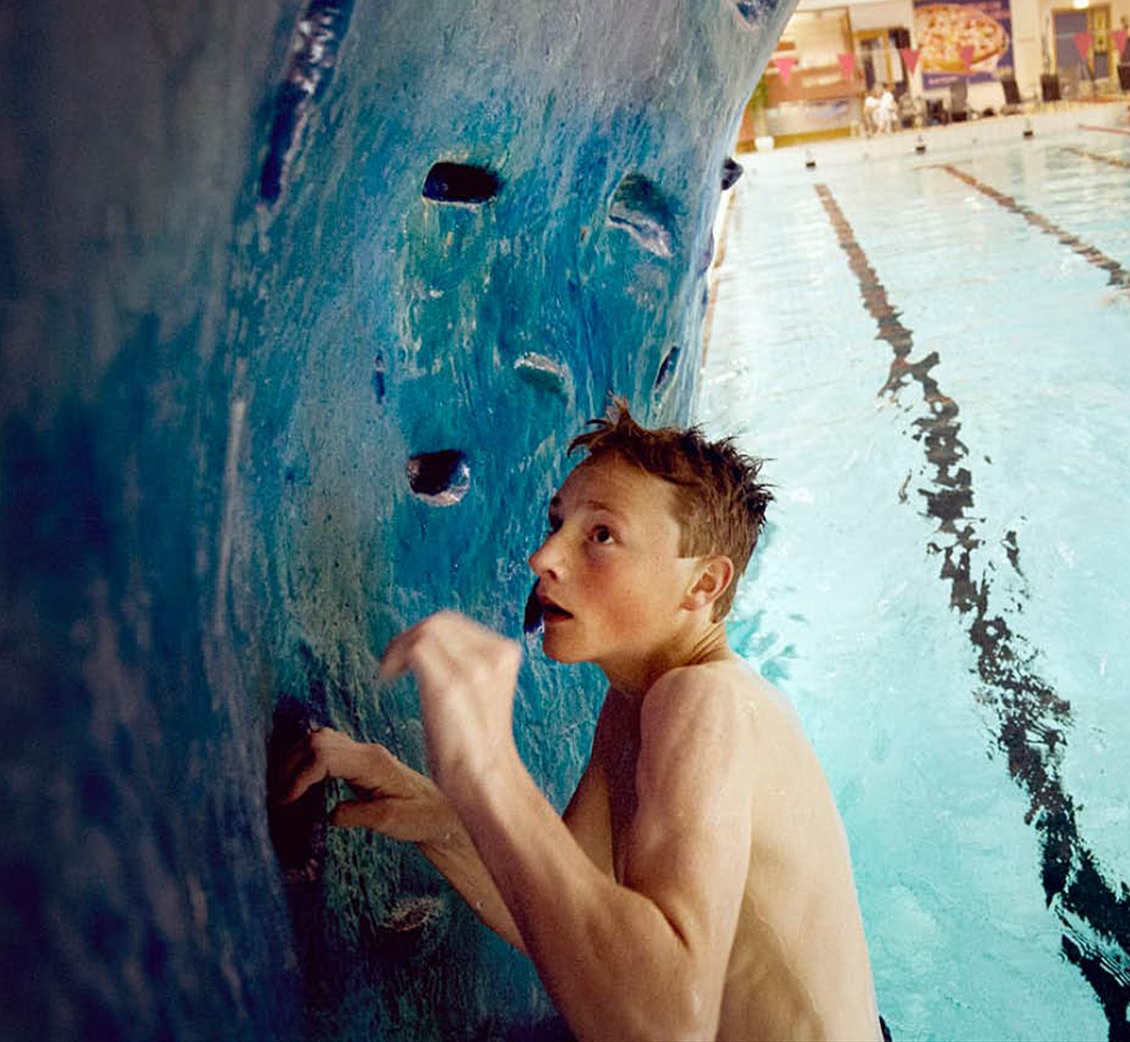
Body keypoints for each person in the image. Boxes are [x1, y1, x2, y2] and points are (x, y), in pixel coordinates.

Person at [273, 399, 881, 1041]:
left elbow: (666, 1027)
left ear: (703, 584)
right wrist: (436, 815)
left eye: (601, 536)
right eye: (556, 522)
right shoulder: (633, 701)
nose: (544, 556)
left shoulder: (706, 701)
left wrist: (485, 767)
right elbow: (570, 922)